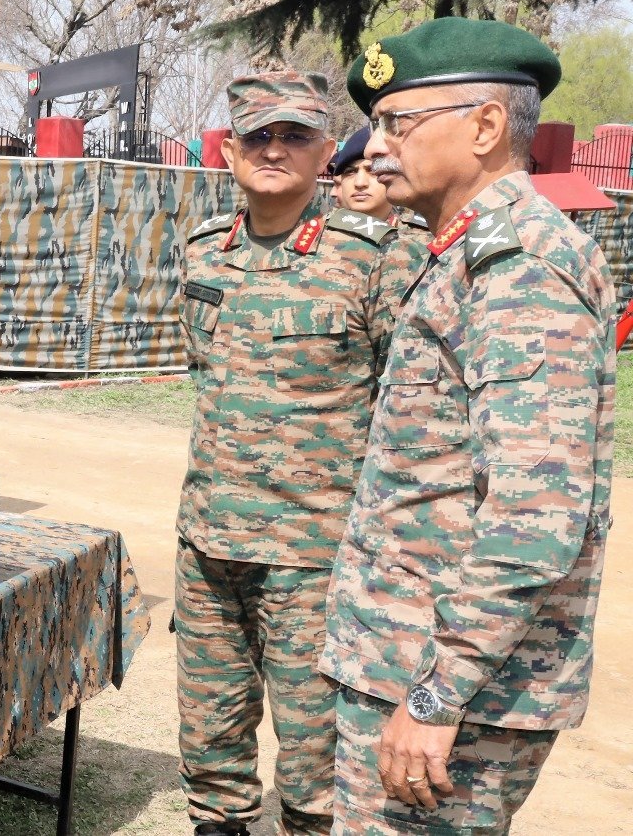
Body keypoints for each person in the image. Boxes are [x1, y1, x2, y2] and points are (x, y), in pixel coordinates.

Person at [320, 17, 616, 835]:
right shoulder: (462, 250)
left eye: (396, 124)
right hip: (411, 659)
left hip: (452, 690)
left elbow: (533, 515)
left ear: (485, 127)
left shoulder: (520, 265)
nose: (375, 149)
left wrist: (436, 691)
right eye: (375, 125)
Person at [175, 72, 420, 836]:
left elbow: (403, 411)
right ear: (229, 151)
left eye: (293, 136)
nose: (272, 149)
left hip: (313, 557)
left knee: (317, 759)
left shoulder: (373, 259)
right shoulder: (202, 253)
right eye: (257, 135)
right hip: (208, 544)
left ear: (326, 155)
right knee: (210, 739)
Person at [332, 126, 392, 221]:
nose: (359, 183)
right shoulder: (313, 232)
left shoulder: (421, 233)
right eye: (350, 172)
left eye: (373, 170)